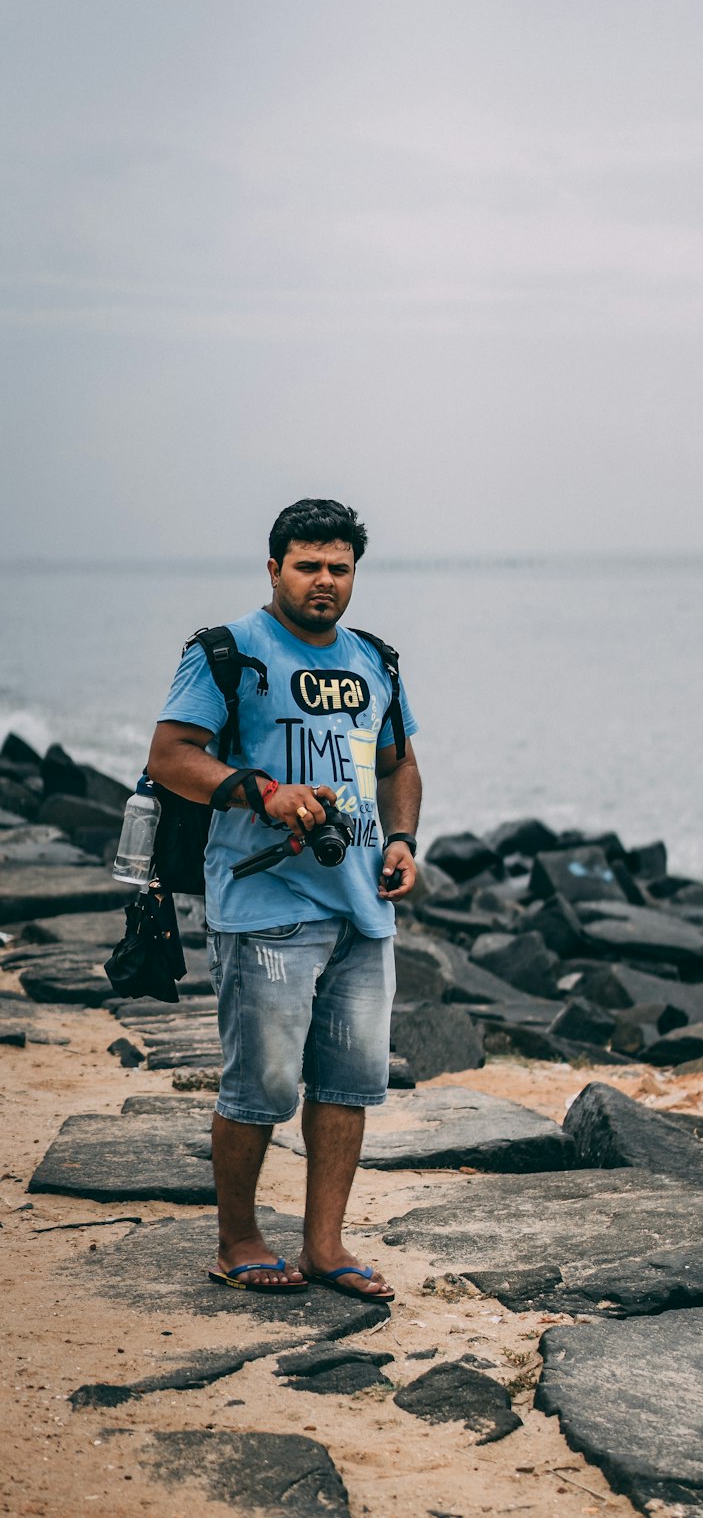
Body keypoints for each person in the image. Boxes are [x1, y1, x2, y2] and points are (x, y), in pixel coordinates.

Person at [147, 498, 421, 1299]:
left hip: (362, 909)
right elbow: (170, 755)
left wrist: (401, 838)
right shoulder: (225, 652)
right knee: (259, 1086)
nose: (324, 581)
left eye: (339, 568)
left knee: (348, 1084)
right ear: (274, 569)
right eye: (308, 565)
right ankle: (239, 1237)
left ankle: (326, 1245)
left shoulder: (375, 658)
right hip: (264, 906)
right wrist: (257, 791)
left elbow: (399, 762)